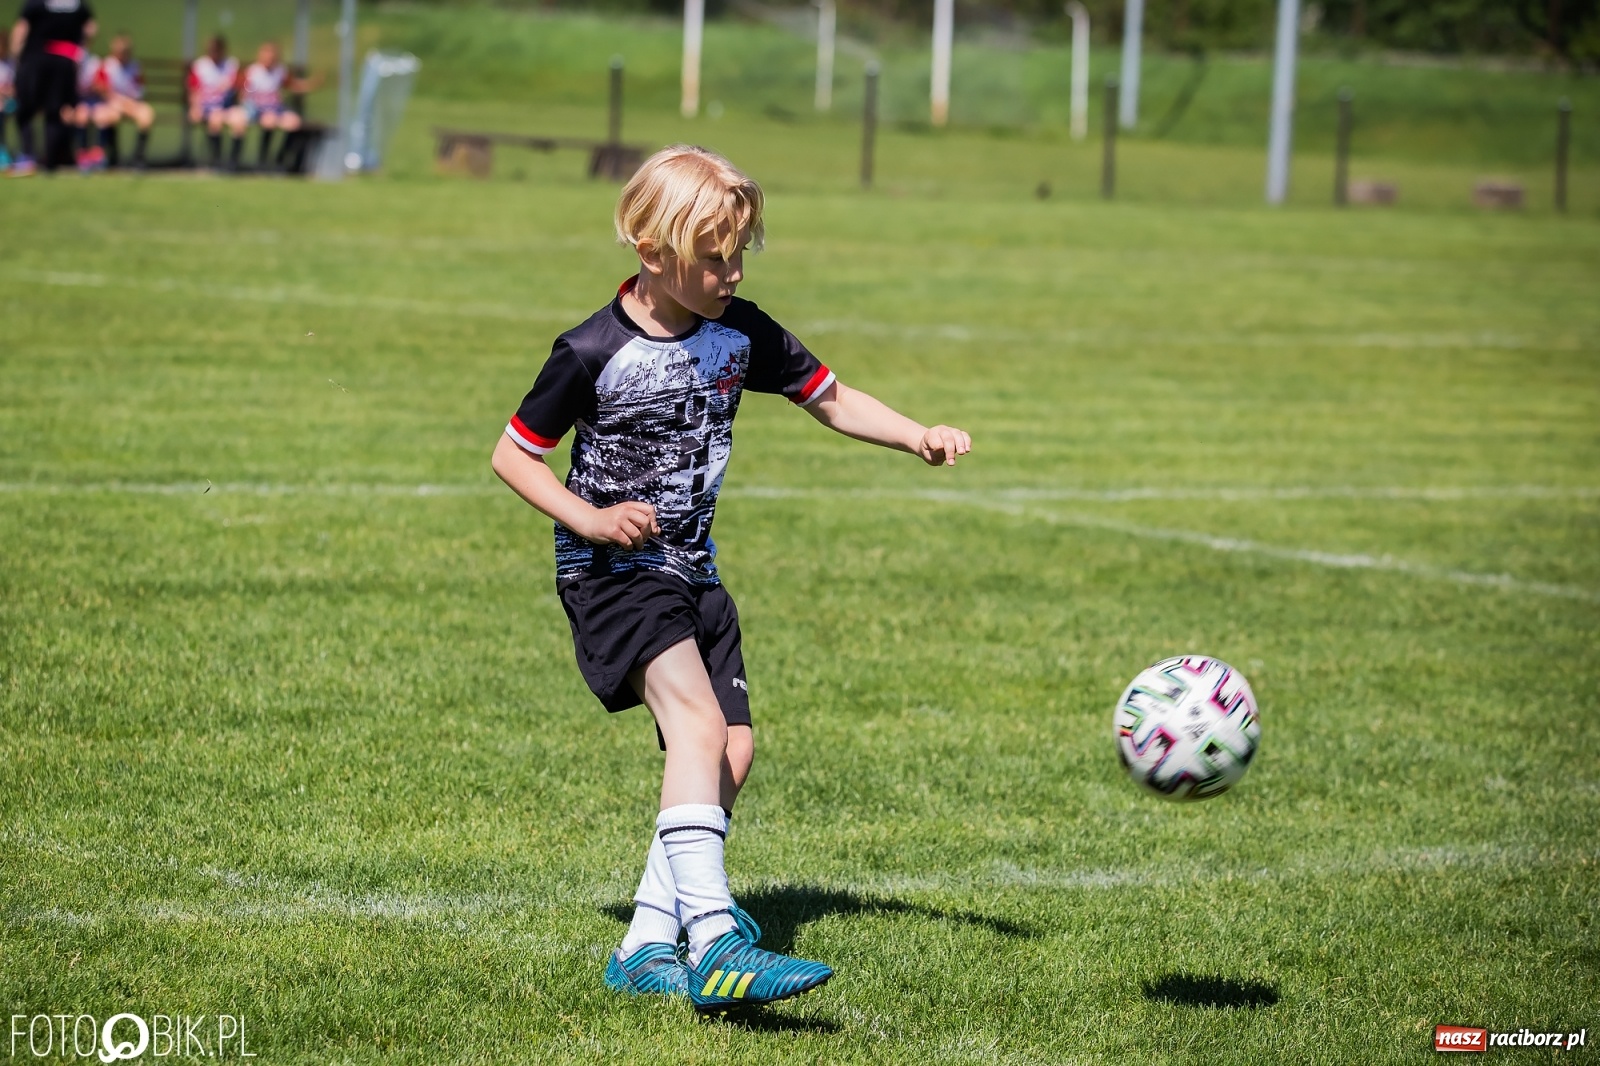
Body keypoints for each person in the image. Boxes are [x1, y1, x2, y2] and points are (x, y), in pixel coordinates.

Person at [490, 145, 972, 1011]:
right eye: (713, 257)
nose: (731, 271)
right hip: (613, 571)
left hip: (693, 574)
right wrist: (590, 517)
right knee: (697, 723)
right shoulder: (591, 350)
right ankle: (714, 936)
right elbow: (513, 454)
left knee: (730, 749)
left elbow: (829, 396)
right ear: (650, 251)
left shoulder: (738, 331)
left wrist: (916, 434)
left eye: (739, 252)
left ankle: (644, 941)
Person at [9, 0, 97, 175]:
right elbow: (91, 29)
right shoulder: (77, 4)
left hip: (35, 60)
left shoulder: (36, 2)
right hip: (64, 62)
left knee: (25, 110)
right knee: (55, 112)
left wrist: (16, 57)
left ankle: (28, 157)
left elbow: (21, 29)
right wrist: (80, 47)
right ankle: (50, 162)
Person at [224, 40, 316, 171]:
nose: (269, 59)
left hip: (274, 110)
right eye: (266, 55)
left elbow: (294, 85)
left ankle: (279, 160)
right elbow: (241, 91)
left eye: (272, 56)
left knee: (293, 122)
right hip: (254, 109)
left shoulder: (280, 72)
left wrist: (312, 83)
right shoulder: (252, 72)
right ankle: (235, 163)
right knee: (244, 121)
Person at [99, 33, 152, 168]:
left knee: (147, 115)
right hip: (113, 103)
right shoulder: (108, 65)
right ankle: (113, 156)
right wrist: (118, 101)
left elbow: (140, 89)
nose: (122, 55)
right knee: (111, 116)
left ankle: (138, 158)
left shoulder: (135, 66)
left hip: (132, 103)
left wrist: (132, 101)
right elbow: (103, 90)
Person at [186, 34, 234, 167]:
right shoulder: (200, 65)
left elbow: (238, 88)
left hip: (224, 107)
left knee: (230, 120)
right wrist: (195, 106)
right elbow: (193, 89)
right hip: (205, 107)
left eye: (217, 50)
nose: (214, 53)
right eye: (211, 50)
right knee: (214, 119)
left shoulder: (230, 65)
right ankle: (216, 161)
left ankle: (229, 162)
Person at [0, 33, 15, 168]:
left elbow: (16, 85)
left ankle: (24, 153)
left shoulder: (11, 63)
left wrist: (10, 91)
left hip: (11, 101)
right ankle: (2, 150)